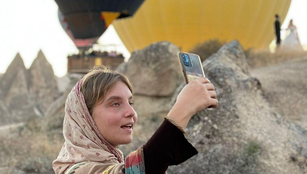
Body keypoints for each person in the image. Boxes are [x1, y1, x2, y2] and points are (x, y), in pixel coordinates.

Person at [52, 66, 218, 174]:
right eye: (115, 104)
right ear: (84, 118)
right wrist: (183, 109)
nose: (131, 112)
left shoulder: (107, 163)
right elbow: (138, 171)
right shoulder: (79, 171)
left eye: (131, 103)